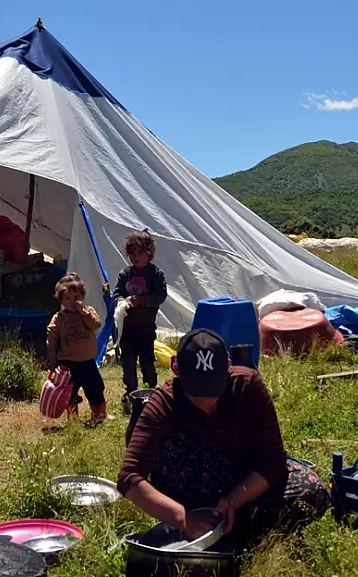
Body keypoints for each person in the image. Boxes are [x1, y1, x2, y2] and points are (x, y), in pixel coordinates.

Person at [117, 329, 328, 551]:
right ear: (175, 368)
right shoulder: (164, 402)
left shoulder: (247, 385)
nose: (207, 403)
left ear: (228, 368)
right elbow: (129, 477)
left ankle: (226, 528)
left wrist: (233, 500)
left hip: (242, 481)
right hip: (192, 489)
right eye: (196, 392)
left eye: (214, 390)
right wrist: (182, 518)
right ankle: (215, 527)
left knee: (312, 491)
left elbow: (272, 461)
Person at [46, 274, 114, 423]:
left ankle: (99, 414)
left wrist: (84, 313)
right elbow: (52, 340)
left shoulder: (87, 311)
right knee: (70, 392)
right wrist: (53, 362)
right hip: (68, 364)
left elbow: (96, 325)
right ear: (61, 300)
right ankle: (73, 418)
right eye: (67, 298)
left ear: (82, 297)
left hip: (87, 361)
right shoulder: (59, 318)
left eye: (76, 296)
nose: (73, 301)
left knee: (96, 388)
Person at [112, 230, 168, 408]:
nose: (136, 257)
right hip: (128, 327)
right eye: (132, 253)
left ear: (149, 253)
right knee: (128, 361)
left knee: (147, 360)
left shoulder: (156, 275)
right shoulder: (125, 274)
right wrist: (123, 301)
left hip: (145, 327)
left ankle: (151, 390)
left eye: (140, 253)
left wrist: (144, 301)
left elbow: (160, 296)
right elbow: (117, 294)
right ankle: (131, 393)